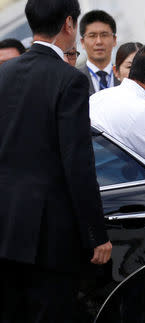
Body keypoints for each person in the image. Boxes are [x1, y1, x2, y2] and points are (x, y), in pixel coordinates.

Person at [0, 0, 112, 321]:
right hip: (49, 235)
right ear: (69, 24)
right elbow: (78, 162)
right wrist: (96, 234)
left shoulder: (3, 74)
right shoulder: (69, 79)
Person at [79, 10, 120, 94]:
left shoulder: (126, 78)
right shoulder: (74, 79)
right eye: (92, 36)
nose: (99, 41)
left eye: (104, 35)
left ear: (114, 40)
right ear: (82, 42)